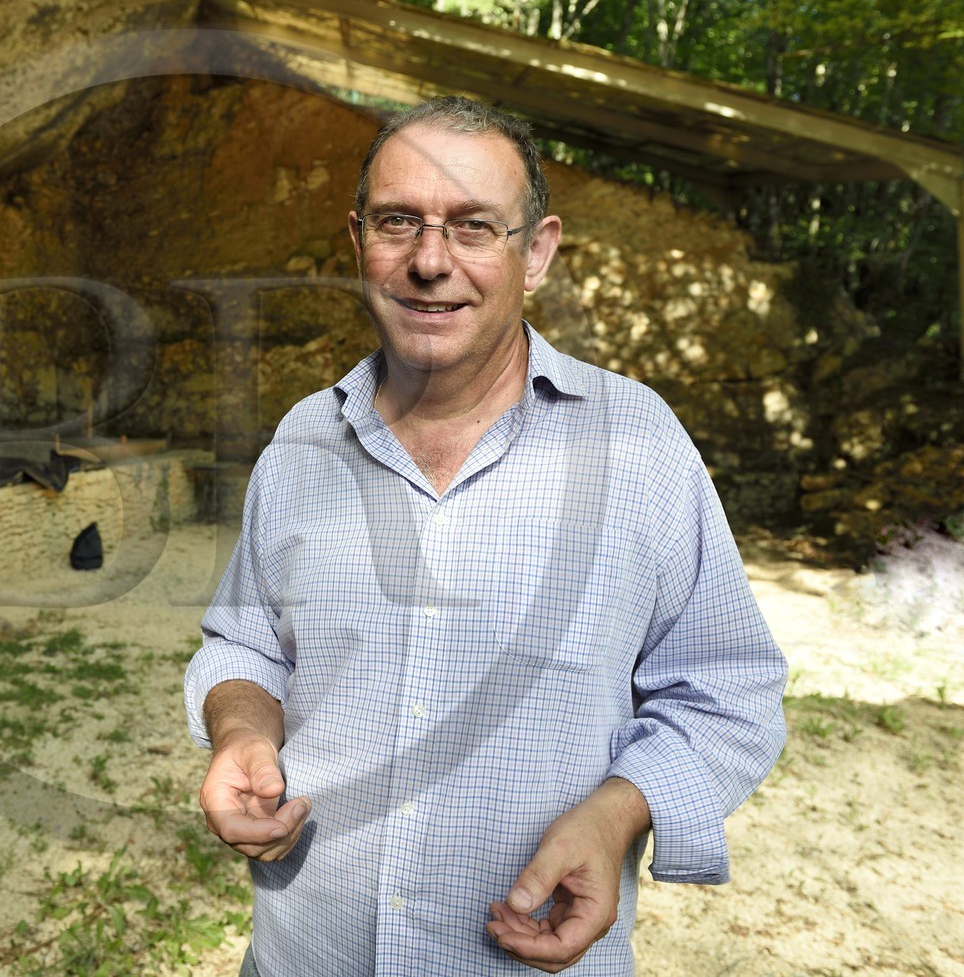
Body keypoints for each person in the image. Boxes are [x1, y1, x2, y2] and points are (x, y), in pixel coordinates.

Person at [183, 95, 788, 976]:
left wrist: (619, 810)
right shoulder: (304, 442)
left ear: (536, 251)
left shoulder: (637, 444)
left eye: (474, 228)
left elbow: (728, 690)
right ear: (359, 242)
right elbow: (244, 644)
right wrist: (241, 731)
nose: (431, 262)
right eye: (399, 223)